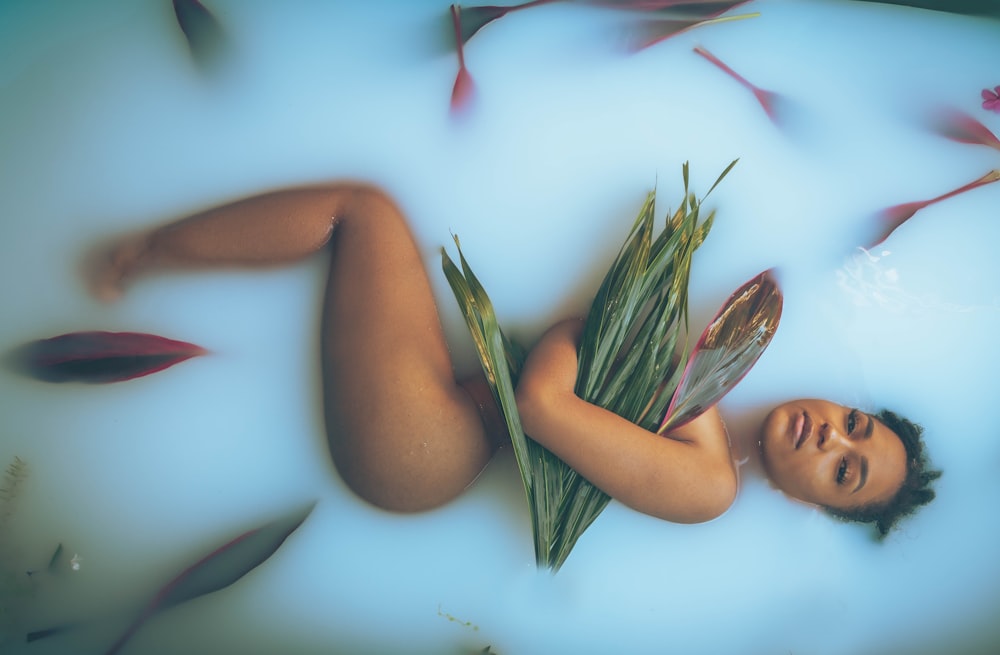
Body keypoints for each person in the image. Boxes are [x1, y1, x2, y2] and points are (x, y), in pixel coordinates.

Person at [87, 183, 940, 536]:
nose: (832, 438)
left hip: (427, 450)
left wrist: (588, 326)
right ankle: (148, 250)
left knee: (362, 213)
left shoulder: (709, 485)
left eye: (844, 472)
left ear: (809, 502)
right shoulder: (706, 395)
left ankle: (143, 252)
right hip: (451, 415)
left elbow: (541, 406)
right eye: (854, 426)